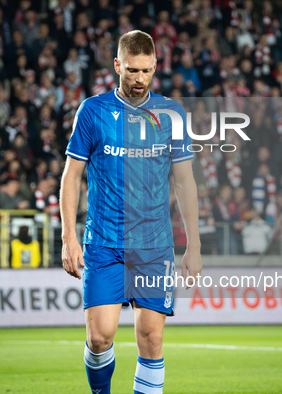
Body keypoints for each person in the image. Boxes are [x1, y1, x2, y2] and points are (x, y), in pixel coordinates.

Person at [60, 31, 201, 394]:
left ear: (156, 66)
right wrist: (68, 237)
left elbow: (184, 181)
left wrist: (194, 246)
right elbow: (71, 175)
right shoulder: (94, 111)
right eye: (132, 71)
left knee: (151, 339)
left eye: (146, 71)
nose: (139, 79)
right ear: (117, 66)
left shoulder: (171, 114)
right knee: (101, 337)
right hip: (105, 242)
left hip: (154, 245)